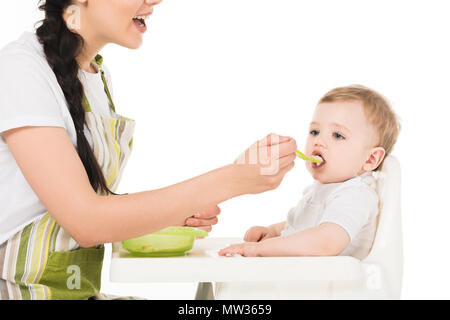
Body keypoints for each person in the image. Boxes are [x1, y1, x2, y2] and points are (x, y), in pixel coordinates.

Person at [0, 0, 297, 299]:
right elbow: (86, 221)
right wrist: (232, 180)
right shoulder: (21, 70)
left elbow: (81, 202)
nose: (155, 1)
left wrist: (168, 214)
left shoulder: (94, 77)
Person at [219, 85, 401, 260]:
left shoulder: (356, 195)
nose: (318, 141)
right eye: (314, 131)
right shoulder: (325, 188)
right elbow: (306, 225)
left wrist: (260, 250)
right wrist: (274, 232)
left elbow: (326, 242)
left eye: (337, 135)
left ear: (370, 160)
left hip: (331, 288)